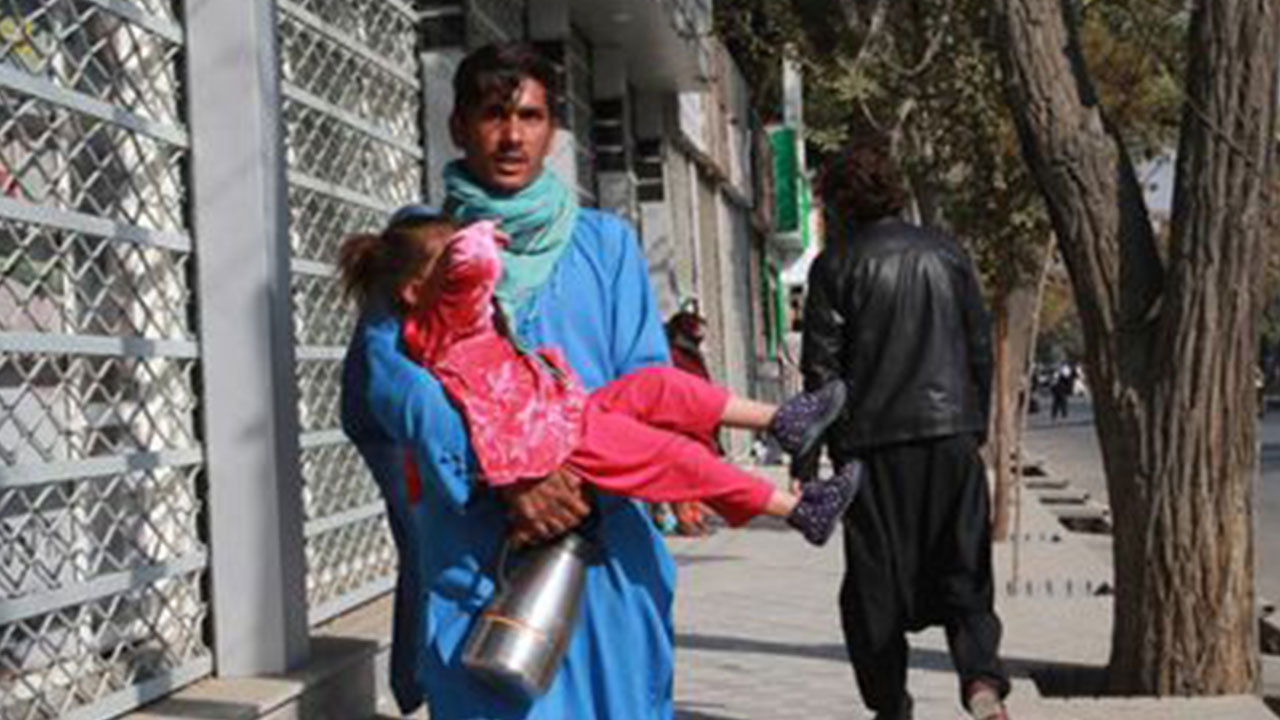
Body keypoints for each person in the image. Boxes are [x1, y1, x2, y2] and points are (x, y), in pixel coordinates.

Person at [337, 214, 859, 543]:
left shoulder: (454, 320)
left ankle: (784, 420)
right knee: (678, 458)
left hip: (562, 415)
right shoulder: (440, 328)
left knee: (659, 385)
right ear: (413, 291)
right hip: (546, 441)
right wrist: (475, 241)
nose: (466, 272)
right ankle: (800, 510)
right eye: (446, 264)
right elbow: (469, 276)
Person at [798, 136, 1010, 720]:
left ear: (840, 202)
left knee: (874, 587)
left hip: (871, 451)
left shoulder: (834, 266)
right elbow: (978, 348)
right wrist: (974, 428)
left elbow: (822, 371)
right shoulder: (947, 253)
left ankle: (891, 706)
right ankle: (981, 681)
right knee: (965, 566)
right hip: (951, 436)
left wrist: (806, 463)